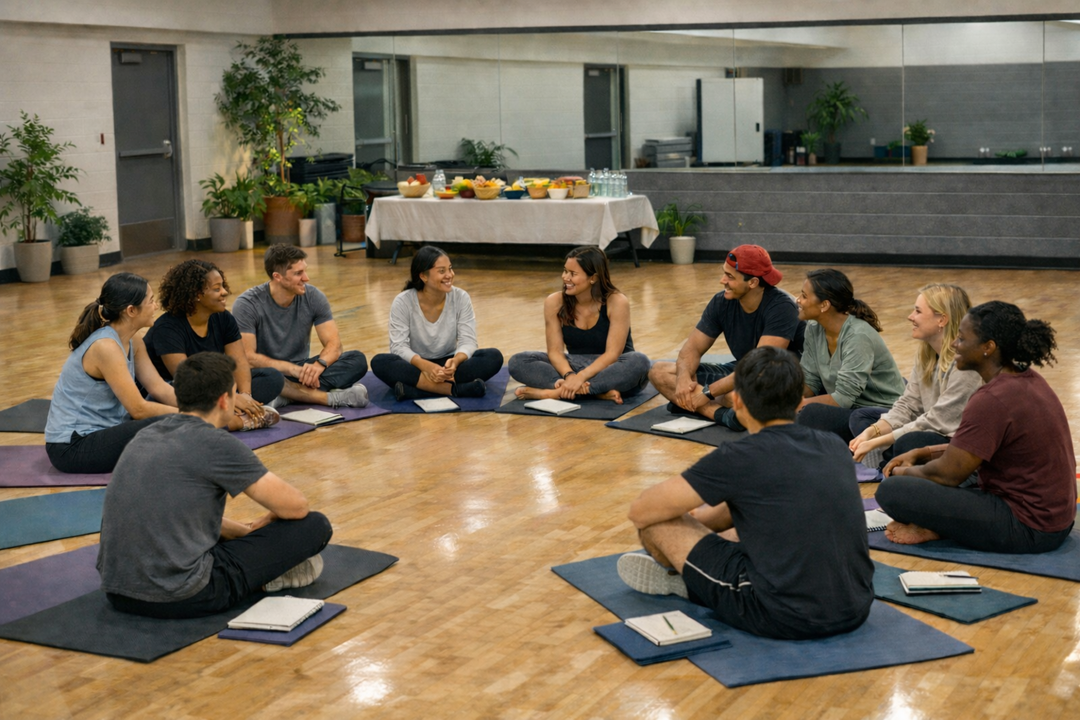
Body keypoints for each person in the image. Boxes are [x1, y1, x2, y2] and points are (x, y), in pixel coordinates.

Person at [619, 346, 873, 640]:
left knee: (658, 525)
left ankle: (690, 579)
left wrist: (690, 526)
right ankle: (698, 566)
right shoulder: (832, 444)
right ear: (799, 400)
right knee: (759, 510)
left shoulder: (740, 456)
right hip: (855, 606)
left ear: (737, 401)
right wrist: (705, 524)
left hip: (780, 614)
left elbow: (641, 511)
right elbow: (757, 499)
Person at [97, 352, 334, 619]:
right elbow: (296, 507)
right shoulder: (216, 443)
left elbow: (172, 510)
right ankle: (270, 579)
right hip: (184, 594)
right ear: (224, 400)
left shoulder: (147, 434)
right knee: (315, 525)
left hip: (118, 592)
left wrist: (245, 530)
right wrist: (269, 519)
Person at [877, 301, 1075, 553]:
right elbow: (975, 449)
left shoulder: (992, 399)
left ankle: (938, 527)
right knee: (911, 443)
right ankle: (942, 523)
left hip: (1030, 528)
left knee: (893, 491)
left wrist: (900, 474)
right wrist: (922, 453)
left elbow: (949, 475)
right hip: (1056, 520)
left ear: (988, 348)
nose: (953, 344)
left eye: (961, 338)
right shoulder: (1027, 379)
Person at [648, 244, 804, 429]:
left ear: (753, 282)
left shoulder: (782, 307)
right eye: (724, 273)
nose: (723, 280)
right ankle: (724, 416)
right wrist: (683, 380)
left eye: (730, 276)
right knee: (659, 372)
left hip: (774, 377)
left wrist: (706, 393)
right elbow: (691, 349)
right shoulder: (721, 302)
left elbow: (758, 366)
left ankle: (695, 406)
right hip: (740, 371)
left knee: (734, 397)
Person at [45, 273, 178, 474]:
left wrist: (201, 407)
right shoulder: (105, 346)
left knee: (171, 408)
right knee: (166, 421)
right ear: (131, 310)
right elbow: (138, 409)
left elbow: (159, 388)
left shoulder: (134, 341)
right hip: (72, 448)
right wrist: (192, 415)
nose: (156, 306)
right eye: (151, 301)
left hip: (104, 433)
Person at [848, 284, 982, 466]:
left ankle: (885, 460)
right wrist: (871, 432)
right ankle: (887, 460)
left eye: (918, 311)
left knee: (908, 443)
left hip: (956, 441)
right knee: (862, 418)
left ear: (942, 319)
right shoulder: (926, 355)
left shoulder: (966, 364)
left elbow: (936, 421)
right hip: (928, 427)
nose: (910, 317)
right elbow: (908, 405)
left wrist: (877, 441)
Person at [144, 259, 283, 432]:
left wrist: (244, 396)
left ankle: (233, 412)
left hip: (217, 388)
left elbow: (238, 362)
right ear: (197, 294)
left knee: (272, 377)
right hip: (178, 390)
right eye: (217, 289)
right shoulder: (167, 328)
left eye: (223, 286)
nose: (225, 292)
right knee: (167, 402)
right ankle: (236, 421)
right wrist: (231, 397)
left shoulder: (224, 318)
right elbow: (186, 380)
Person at [232, 244, 369, 409]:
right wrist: (292, 370)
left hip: (302, 372)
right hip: (267, 372)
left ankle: (285, 396)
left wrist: (319, 365)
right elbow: (248, 358)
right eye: (298, 273)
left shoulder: (313, 296)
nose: (306, 278)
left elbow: (335, 345)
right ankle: (326, 398)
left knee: (357, 360)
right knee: (263, 379)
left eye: (304, 270)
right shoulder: (247, 304)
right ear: (278, 277)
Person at [508, 246, 650, 404]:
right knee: (518, 361)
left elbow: (612, 354)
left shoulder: (616, 301)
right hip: (574, 366)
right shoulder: (554, 302)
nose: (565, 277)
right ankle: (594, 392)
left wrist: (581, 377)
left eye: (573, 274)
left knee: (639, 361)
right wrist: (569, 375)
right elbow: (555, 352)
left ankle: (554, 393)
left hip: (613, 367)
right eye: (565, 271)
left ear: (593, 278)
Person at [370, 246, 503, 401]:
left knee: (493, 357)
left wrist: (455, 361)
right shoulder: (403, 301)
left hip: (448, 364)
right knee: (380, 362)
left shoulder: (461, 297)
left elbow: (468, 341)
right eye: (442, 271)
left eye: (450, 269)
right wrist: (426, 366)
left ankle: (417, 391)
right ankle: (454, 390)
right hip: (416, 364)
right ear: (423, 276)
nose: (449, 275)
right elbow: (398, 347)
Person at [794, 268, 905, 442]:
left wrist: (799, 406)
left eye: (804, 296)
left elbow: (843, 399)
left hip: (881, 412)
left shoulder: (858, 335)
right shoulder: (813, 327)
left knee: (810, 415)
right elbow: (810, 380)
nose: (798, 300)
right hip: (850, 408)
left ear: (824, 305)